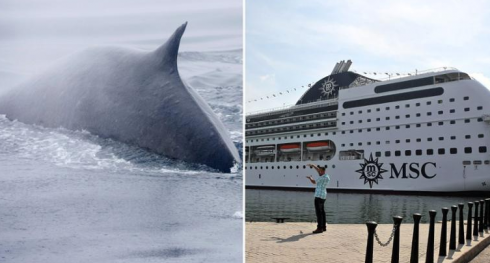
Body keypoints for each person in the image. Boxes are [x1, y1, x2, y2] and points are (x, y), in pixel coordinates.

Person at [306, 163, 330, 234]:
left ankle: (319, 228)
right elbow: (319, 171)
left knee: (318, 213)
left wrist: (310, 178)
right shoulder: (326, 176)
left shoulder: (321, 178)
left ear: (323, 171)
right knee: (322, 212)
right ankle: (324, 227)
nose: (318, 172)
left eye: (320, 171)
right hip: (323, 196)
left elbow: (314, 182)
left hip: (318, 196)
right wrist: (313, 166)